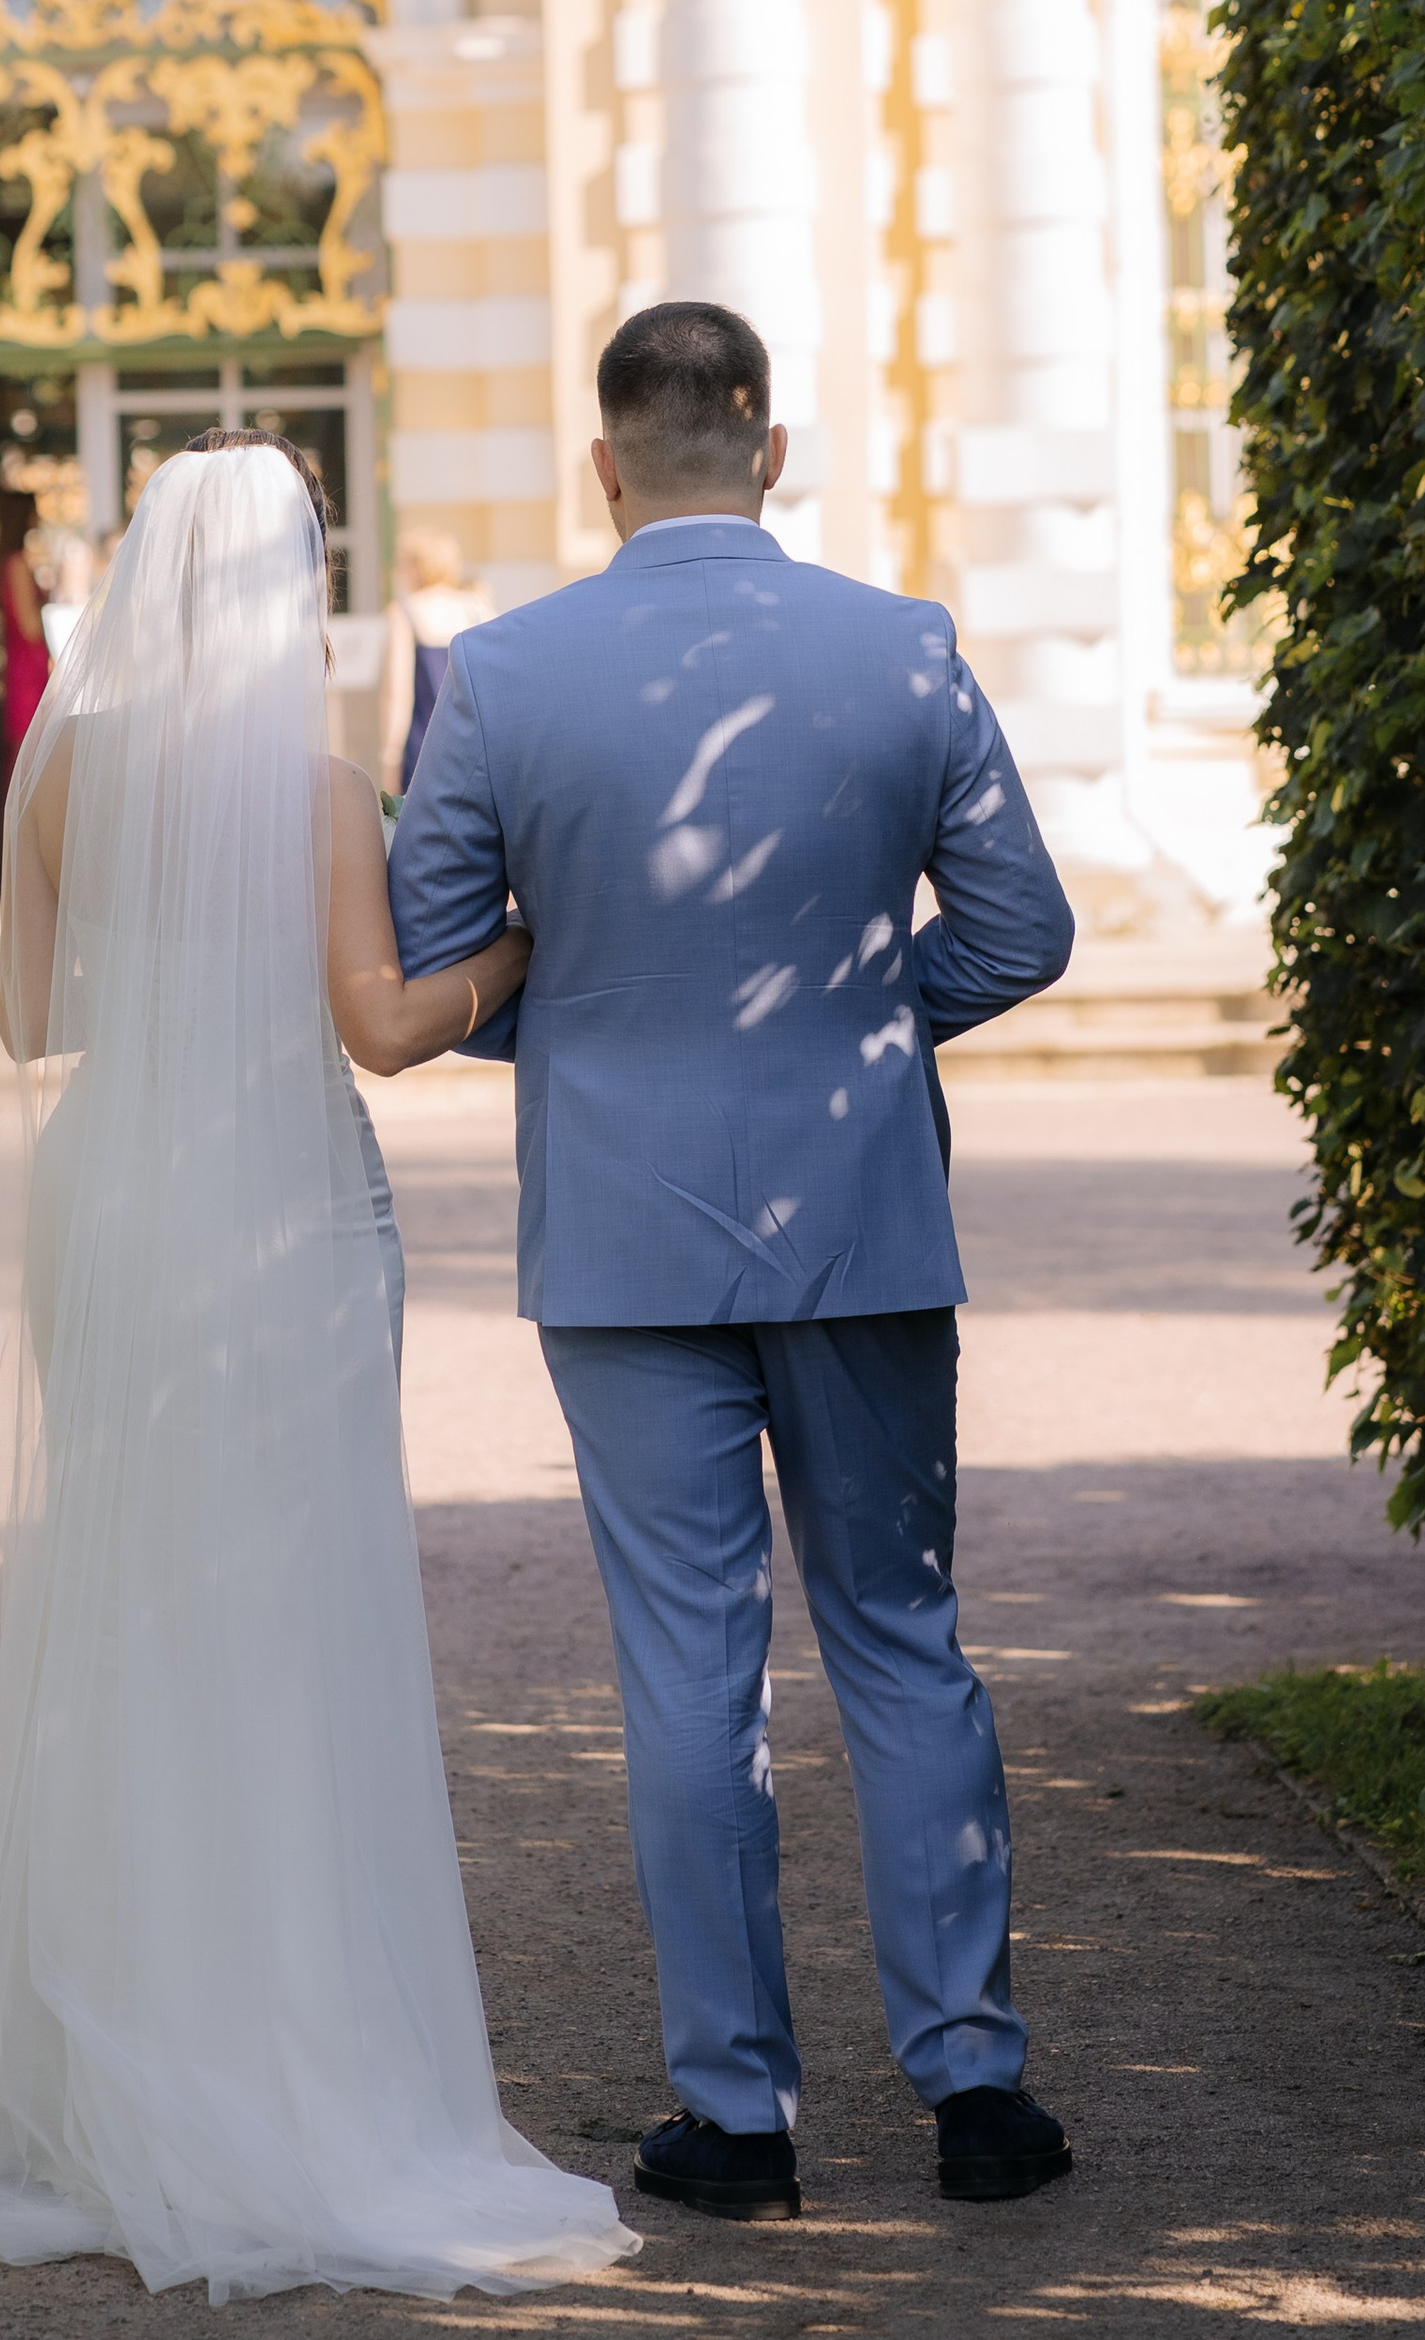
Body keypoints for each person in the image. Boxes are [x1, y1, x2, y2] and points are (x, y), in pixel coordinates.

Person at [0, 431, 635, 2303]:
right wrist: (517, 954)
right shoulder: (319, 789)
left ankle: (107, 2075)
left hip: (112, 1198)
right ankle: (292, 2062)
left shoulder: (56, 764)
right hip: (274, 1206)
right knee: (290, 1610)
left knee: (129, 1593)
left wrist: (164, 981)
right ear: (295, 587)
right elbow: (384, 1031)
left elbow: (24, 1016)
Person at [389, 299, 1078, 2225]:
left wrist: (598, 1020)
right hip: (863, 1207)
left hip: (619, 1229)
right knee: (901, 1636)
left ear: (603, 463)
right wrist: (865, 1028)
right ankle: (975, 2090)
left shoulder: (504, 675)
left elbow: (442, 951)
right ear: (770, 446)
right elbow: (1021, 931)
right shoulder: (904, 648)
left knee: (688, 1673)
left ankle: (741, 2119)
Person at [379, 528, 495, 797]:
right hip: (475, 747)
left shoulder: (405, 612)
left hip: (425, 748)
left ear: (416, 567)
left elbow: (397, 695)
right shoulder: (478, 607)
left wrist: (390, 758)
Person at [0, 484, 49, 783]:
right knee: (29, 755)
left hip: (23, 669)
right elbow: (30, 626)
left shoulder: (10, 561)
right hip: (29, 672)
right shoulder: (17, 564)